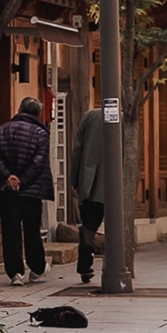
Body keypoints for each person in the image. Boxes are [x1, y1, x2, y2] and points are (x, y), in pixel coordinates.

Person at [0, 95, 55, 285]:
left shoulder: (1, 130)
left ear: (19, 109)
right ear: (38, 113)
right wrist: (23, 181)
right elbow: (39, 161)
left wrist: (8, 177)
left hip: (6, 190)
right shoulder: (41, 133)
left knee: (10, 231)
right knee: (32, 230)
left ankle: (15, 273)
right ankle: (37, 267)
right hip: (31, 191)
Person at [70, 100, 110, 286]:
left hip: (89, 178)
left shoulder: (89, 116)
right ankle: (114, 264)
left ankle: (85, 263)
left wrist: (73, 179)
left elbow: (77, 150)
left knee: (89, 224)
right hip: (113, 180)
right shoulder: (125, 119)